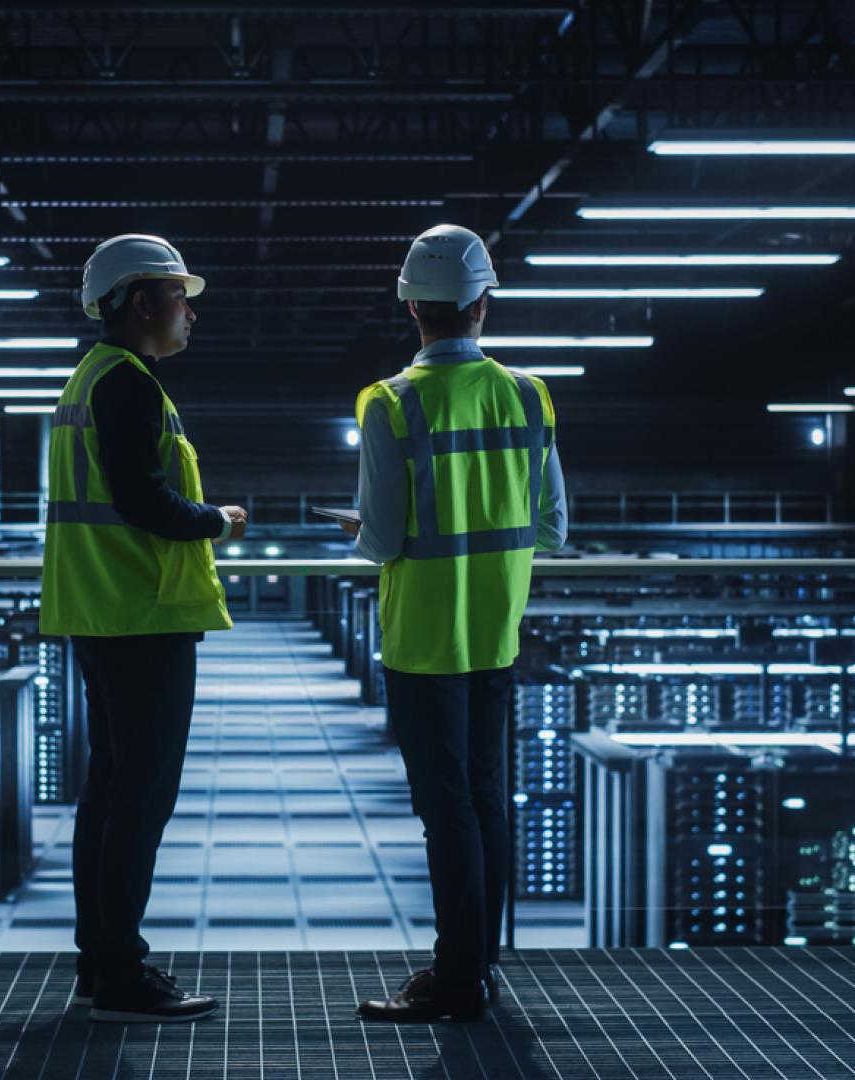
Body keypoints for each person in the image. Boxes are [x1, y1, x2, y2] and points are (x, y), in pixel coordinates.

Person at [342, 224, 568, 1022]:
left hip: (423, 639)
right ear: (483, 304)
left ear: (412, 305)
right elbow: (551, 529)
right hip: (496, 632)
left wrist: (360, 528)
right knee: (487, 799)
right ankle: (477, 967)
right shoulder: (528, 394)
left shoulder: (388, 402)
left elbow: (382, 538)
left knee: (448, 814)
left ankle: (455, 978)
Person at [38, 233, 248, 1023]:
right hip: (141, 615)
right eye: (178, 297)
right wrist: (218, 521)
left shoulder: (90, 380)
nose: (189, 312)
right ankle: (122, 972)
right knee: (140, 801)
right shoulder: (126, 384)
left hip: (103, 613)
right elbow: (144, 500)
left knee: (110, 795)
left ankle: (100, 964)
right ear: (138, 301)